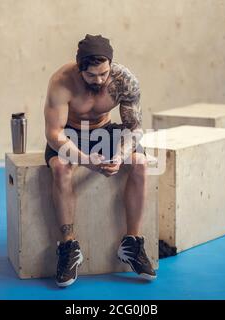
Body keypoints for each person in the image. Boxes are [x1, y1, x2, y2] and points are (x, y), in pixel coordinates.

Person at [44, 34, 156, 287]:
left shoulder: (124, 80)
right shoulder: (62, 81)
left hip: (105, 131)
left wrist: (119, 155)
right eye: (92, 75)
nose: (99, 80)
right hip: (71, 134)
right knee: (60, 167)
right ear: (79, 68)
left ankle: (132, 245)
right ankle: (69, 247)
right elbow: (54, 134)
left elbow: (135, 127)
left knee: (140, 163)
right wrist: (87, 161)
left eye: (104, 73)